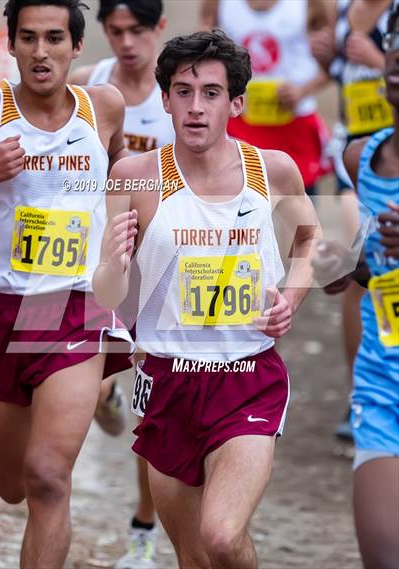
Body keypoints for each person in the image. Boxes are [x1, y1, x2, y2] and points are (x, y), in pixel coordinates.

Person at [93, 29, 320, 569]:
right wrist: (109, 262)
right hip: (167, 382)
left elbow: (309, 242)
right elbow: (108, 297)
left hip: (248, 379)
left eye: (212, 93)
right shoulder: (133, 177)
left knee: (221, 536)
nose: (196, 107)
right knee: (194, 557)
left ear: (236, 102)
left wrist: (290, 297)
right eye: (183, 91)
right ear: (165, 99)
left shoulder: (273, 171)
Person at [0, 1, 133, 567]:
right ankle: (99, 394)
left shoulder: (104, 108)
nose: (41, 52)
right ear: (12, 45)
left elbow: (123, 175)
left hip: (72, 303)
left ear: (76, 47)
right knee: (13, 485)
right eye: (28, 38)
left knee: (47, 479)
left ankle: (89, 383)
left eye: (53, 38)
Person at [71, 2, 175, 567]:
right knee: (77, 375)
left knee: (149, 397)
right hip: (93, 254)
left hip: (158, 262)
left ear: (159, 28)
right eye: (116, 31)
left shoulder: (180, 91)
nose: (127, 42)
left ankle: (142, 528)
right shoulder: (91, 85)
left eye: (138, 30)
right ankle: (103, 391)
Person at [313, 6, 399, 566]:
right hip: (385, 387)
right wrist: (348, 270)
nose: (396, 59)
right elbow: (375, 275)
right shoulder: (359, 157)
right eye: (395, 43)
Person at [200, 0, 332, 196]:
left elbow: (334, 64)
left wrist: (302, 91)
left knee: (299, 212)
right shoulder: (218, 4)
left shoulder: (311, 4)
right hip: (240, 123)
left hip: (294, 124)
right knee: (241, 206)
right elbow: (203, 58)